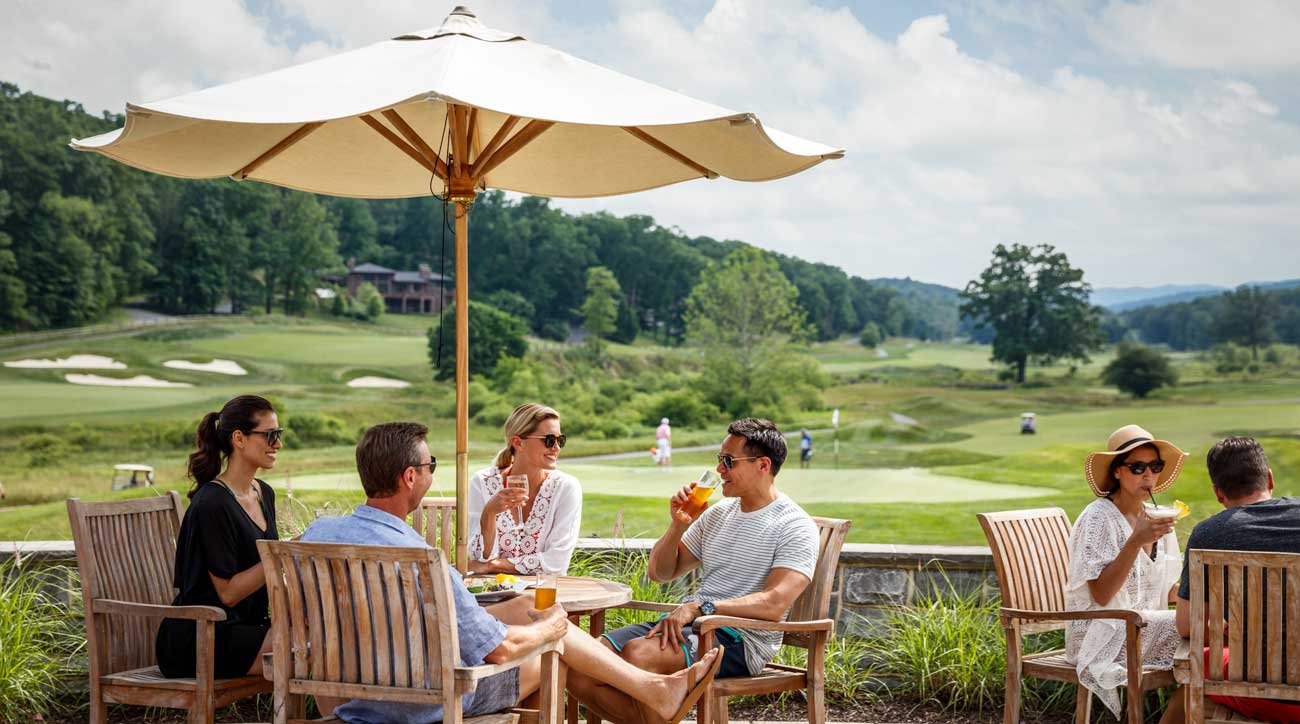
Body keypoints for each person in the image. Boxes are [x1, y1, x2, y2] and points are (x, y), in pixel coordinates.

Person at [302, 422, 722, 724]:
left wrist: (529, 617)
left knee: (524, 606)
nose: (432, 473)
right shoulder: (423, 562)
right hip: (421, 700)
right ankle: (653, 690)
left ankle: (654, 689)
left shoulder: (314, 538)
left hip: (345, 692)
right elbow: (498, 653)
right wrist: (550, 630)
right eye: (430, 465)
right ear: (410, 477)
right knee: (549, 649)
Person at [568, 418, 819, 724]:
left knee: (639, 654)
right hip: (692, 625)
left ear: (762, 465)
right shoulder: (718, 514)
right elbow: (660, 572)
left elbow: (774, 603)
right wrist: (678, 525)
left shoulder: (794, 526)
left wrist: (700, 607)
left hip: (742, 640)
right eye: (719, 460)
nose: (719, 470)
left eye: (728, 461)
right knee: (579, 665)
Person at [1065, 424, 1187, 723]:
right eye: (1137, 467)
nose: (1149, 475)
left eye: (1155, 466)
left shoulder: (1158, 518)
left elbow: (1165, 589)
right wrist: (1135, 542)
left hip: (1141, 627)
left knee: (1212, 632)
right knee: (1206, 630)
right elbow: (1102, 594)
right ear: (1117, 471)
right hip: (1101, 634)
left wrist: (1200, 592)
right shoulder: (1097, 519)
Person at [1173, 437, 1300, 723]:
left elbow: (1186, 625)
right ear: (1269, 478)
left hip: (1263, 695)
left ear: (1218, 493)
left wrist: (1237, 631)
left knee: (1201, 663)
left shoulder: (1209, 534)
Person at [156, 395, 282, 679]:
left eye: (279, 435)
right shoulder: (212, 503)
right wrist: (281, 554)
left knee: (325, 634)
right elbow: (229, 592)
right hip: (203, 637)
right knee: (308, 650)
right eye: (270, 435)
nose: (278, 445)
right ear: (239, 438)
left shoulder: (264, 493)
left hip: (247, 630)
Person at [466, 403, 581, 574]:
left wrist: (494, 566)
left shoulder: (566, 488)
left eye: (560, 440)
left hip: (544, 592)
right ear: (518, 443)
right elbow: (479, 556)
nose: (556, 447)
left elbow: (557, 562)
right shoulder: (482, 483)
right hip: (491, 591)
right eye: (549, 440)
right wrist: (489, 512)